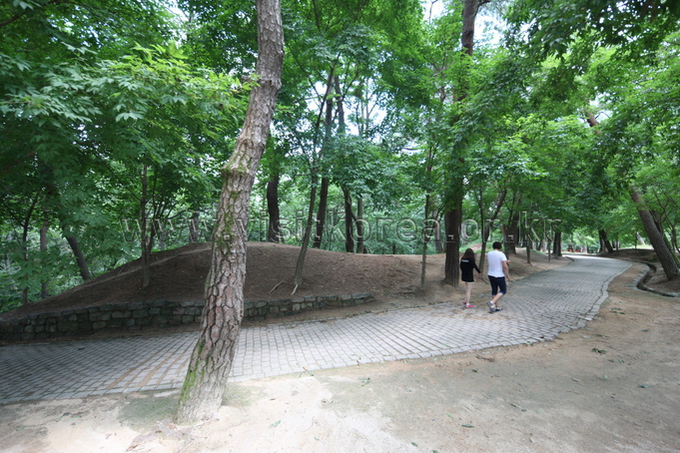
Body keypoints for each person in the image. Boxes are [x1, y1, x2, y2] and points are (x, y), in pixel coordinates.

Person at [486, 241, 510, 313]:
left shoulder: (489, 253)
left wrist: (506, 261)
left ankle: (497, 307)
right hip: (499, 275)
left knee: (494, 291)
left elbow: (495, 261)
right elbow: (505, 266)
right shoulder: (501, 254)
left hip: (490, 274)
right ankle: (492, 302)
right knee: (503, 290)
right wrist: (507, 275)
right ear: (500, 247)